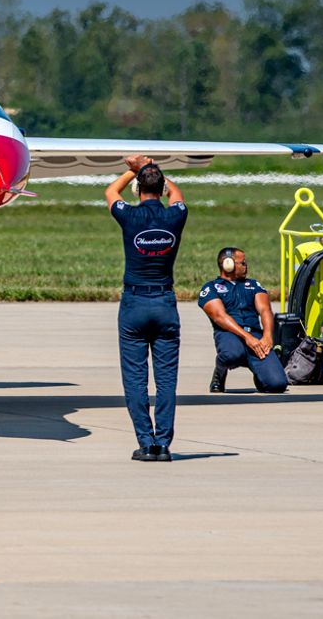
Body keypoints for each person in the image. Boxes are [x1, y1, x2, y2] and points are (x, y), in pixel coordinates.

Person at [105, 155, 186, 462]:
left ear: (138, 189)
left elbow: (111, 192)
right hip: (164, 301)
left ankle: (145, 441)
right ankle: (163, 443)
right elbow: (176, 194)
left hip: (135, 303)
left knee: (135, 379)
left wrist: (134, 170)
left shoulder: (129, 216)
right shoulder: (175, 216)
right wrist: (152, 171)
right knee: (166, 380)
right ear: (162, 187)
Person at [198, 247, 289, 394]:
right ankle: (219, 374)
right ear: (228, 264)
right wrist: (247, 337)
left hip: (255, 334)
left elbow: (265, 310)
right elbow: (220, 317)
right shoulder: (211, 288)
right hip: (229, 334)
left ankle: (261, 375)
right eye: (243, 263)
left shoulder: (253, 285)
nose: (246, 266)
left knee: (277, 384)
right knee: (231, 355)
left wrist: (267, 336)